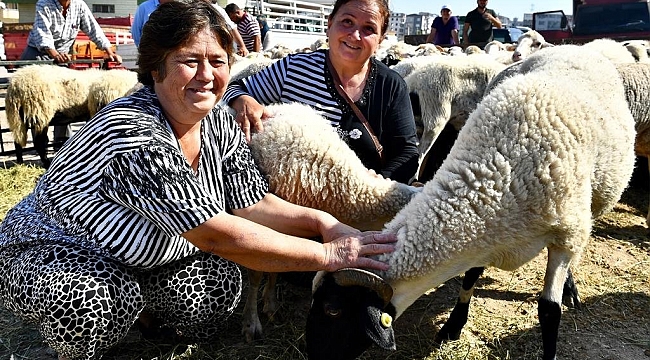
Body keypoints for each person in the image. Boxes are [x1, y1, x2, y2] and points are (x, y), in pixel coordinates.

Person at [0, 1, 396, 359]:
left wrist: (323, 223)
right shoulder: (132, 134)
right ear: (156, 67)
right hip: (57, 248)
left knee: (219, 292)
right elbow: (214, 236)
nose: (207, 76)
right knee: (95, 303)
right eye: (190, 60)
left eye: (219, 61)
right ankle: (79, 344)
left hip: (152, 251)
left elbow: (251, 203)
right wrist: (328, 256)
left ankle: (144, 310)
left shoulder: (219, 122)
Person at [223, 0, 420, 185]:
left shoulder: (390, 85)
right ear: (330, 23)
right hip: (293, 203)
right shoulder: (294, 69)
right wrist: (244, 101)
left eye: (369, 28)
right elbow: (235, 88)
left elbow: (407, 152)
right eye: (347, 22)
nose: (355, 35)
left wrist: (376, 186)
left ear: (380, 39)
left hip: (363, 209)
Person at [21, 0, 123, 145]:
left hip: (61, 58)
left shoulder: (79, 5)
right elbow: (42, 33)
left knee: (66, 99)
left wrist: (108, 51)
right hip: (39, 55)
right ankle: (40, 146)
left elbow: (93, 28)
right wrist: (54, 54)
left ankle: (62, 144)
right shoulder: (44, 4)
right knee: (39, 102)